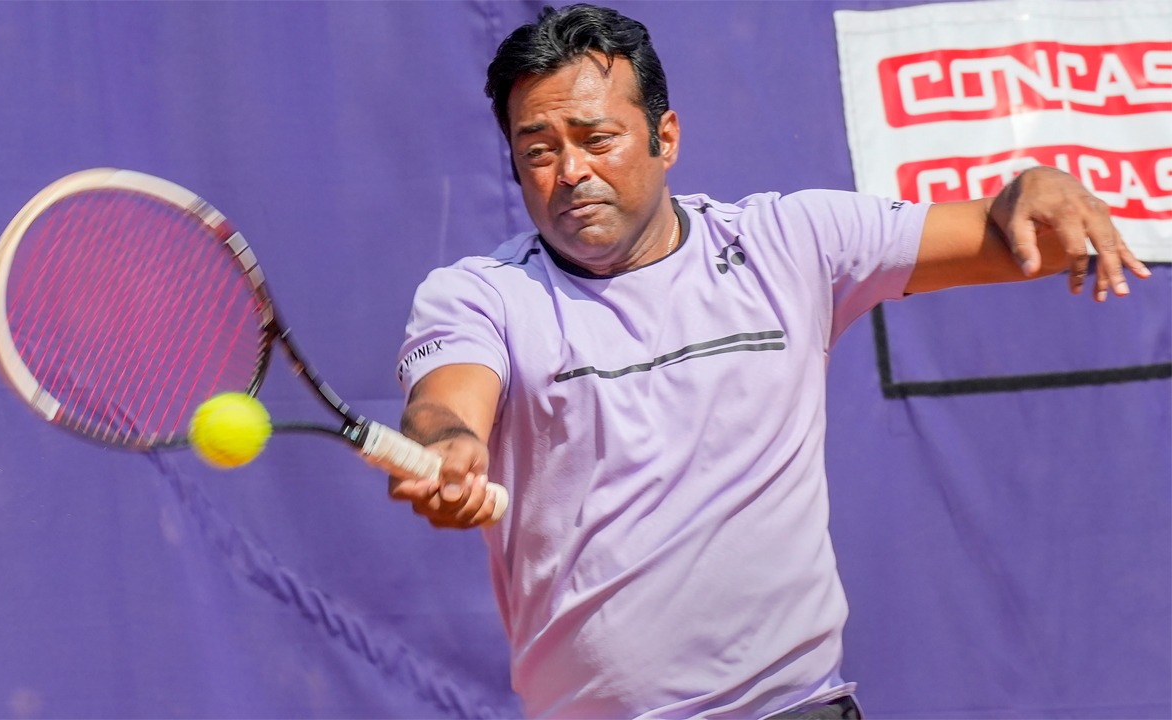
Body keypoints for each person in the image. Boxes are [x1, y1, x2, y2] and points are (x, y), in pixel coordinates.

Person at [386, 4, 1150, 718]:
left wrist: (1037, 187)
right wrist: (448, 448)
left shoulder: (793, 242)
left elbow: (1023, 237)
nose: (571, 171)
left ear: (665, 138)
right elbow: (445, 405)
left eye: (597, 138)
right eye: (539, 151)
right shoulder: (479, 295)